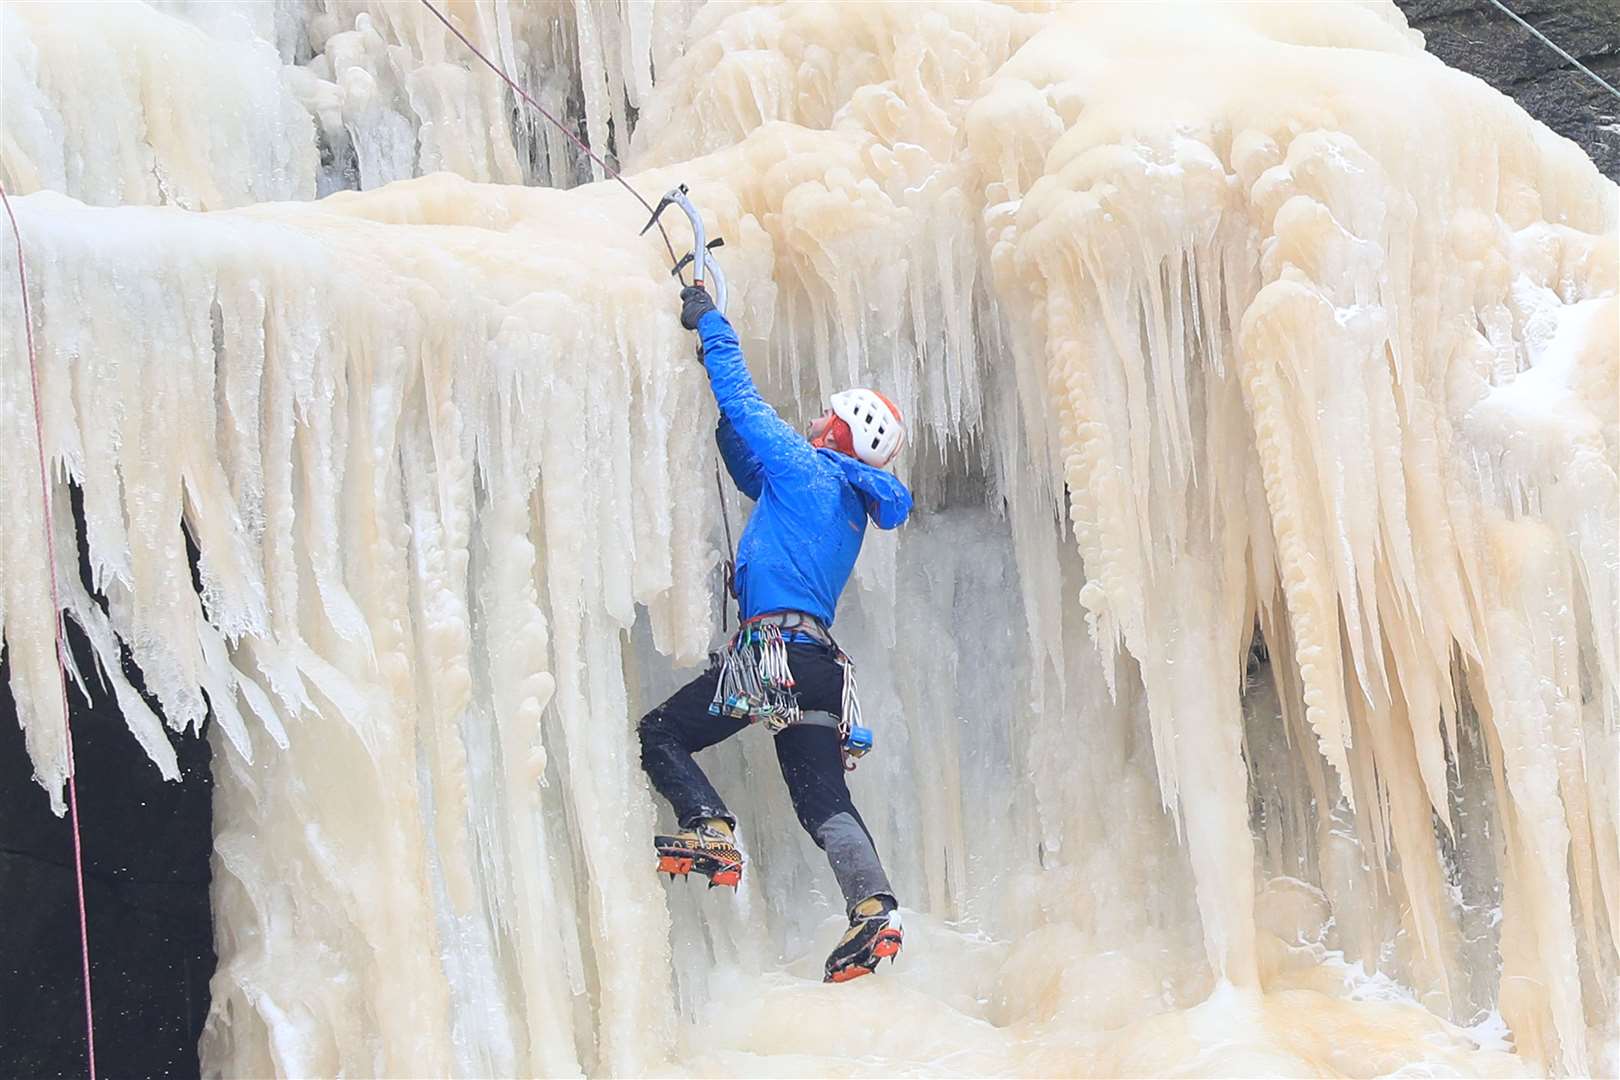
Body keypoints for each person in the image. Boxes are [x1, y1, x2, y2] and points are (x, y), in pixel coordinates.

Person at [638, 284, 912, 983]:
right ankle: (873, 908)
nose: (815, 419)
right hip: (819, 668)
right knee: (823, 799)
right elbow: (747, 462)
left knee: (661, 733)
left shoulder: (808, 469)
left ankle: (709, 828)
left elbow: (746, 404)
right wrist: (725, 430)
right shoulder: (843, 500)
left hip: (774, 657)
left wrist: (711, 327)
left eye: (826, 415)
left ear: (837, 432)